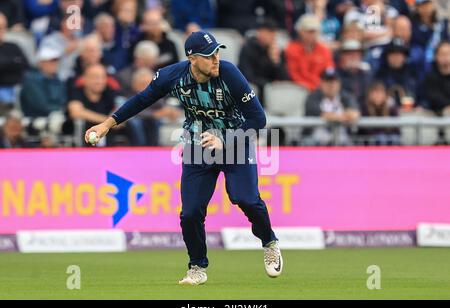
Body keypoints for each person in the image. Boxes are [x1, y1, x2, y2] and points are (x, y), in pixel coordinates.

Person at [84, 30, 282, 284]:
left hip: (235, 141)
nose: (216, 59)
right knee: (190, 212)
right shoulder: (172, 76)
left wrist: (225, 139)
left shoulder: (229, 73)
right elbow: (142, 100)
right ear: (192, 59)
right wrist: (106, 124)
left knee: (245, 198)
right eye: (209, 56)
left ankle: (269, 242)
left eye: (217, 53)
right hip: (198, 145)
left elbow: (258, 119)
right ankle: (197, 267)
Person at [304, 68, 360, 145]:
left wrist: (338, 116)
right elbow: (322, 114)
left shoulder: (345, 96)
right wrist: (342, 117)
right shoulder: (313, 97)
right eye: (328, 81)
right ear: (321, 83)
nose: (331, 85)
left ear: (339, 83)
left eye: (334, 81)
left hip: (342, 142)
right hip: (317, 143)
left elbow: (354, 113)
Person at [238, 18, 288, 103]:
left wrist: (276, 62)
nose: (273, 36)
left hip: (271, 91)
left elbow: (284, 78)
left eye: (274, 32)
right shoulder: (248, 48)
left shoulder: (277, 51)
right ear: (260, 32)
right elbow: (246, 75)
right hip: (254, 89)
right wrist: (269, 83)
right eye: (269, 32)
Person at [285, 14, 335, 91]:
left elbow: (329, 70)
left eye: (315, 31)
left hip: (320, 88)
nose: (313, 35)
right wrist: (311, 85)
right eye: (310, 31)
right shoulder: (291, 49)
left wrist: (322, 85)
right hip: (299, 87)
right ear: (300, 31)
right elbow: (293, 74)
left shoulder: (324, 50)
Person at [20, 45, 67, 117]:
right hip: (36, 118)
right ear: (41, 63)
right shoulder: (31, 79)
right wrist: (62, 110)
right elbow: (40, 105)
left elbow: (63, 100)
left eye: (56, 61)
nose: (55, 64)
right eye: (51, 61)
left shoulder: (57, 79)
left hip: (57, 115)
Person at [0, 12, 28, 115]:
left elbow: (26, 65)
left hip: (19, 87)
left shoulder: (13, 46)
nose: (2, 31)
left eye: (4, 27)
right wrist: (13, 62)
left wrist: (5, 65)